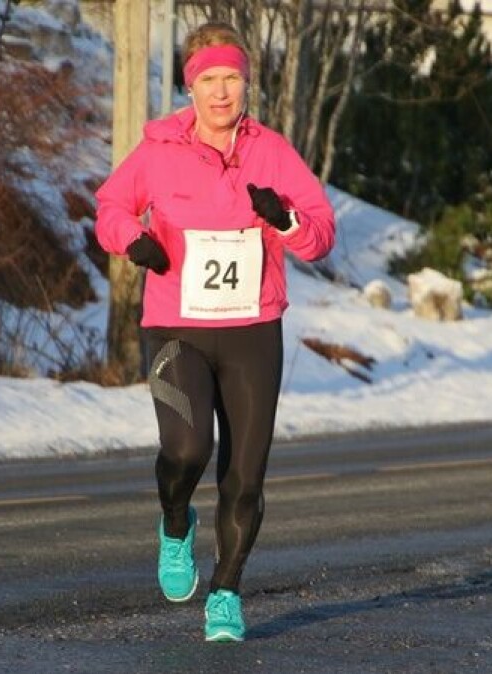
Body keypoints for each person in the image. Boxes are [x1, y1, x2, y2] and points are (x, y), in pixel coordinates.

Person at [95, 21, 335, 642]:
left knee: (245, 473)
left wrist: (284, 221)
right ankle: (176, 522)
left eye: (232, 78)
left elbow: (320, 230)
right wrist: (135, 241)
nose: (222, 92)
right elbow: (110, 207)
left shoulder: (272, 152)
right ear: (190, 86)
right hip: (178, 326)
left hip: (253, 328)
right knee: (187, 449)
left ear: (247, 82)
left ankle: (226, 590)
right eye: (209, 80)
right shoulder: (158, 150)